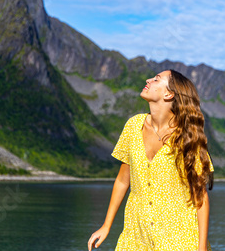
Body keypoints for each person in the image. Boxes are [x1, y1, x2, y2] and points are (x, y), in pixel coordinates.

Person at [88, 69, 214, 251]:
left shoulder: (188, 137)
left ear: (168, 93)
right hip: (137, 238)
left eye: (156, 79)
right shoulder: (133, 126)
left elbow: (200, 197)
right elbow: (123, 180)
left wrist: (201, 249)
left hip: (180, 240)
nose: (148, 80)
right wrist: (106, 225)